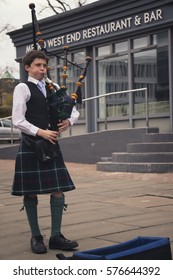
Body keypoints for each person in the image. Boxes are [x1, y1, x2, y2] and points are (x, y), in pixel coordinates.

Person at [12, 50, 80, 254]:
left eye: (44, 66)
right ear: (28, 67)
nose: (42, 69)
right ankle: (36, 237)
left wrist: (69, 121)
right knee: (30, 192)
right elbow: (18, 119)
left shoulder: (54, 87)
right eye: (38, 65)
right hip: (31, 145)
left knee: (58, 189)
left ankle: (56, 236)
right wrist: (40, 131)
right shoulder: (23, 88)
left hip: (50, 145)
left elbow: (73, 108)